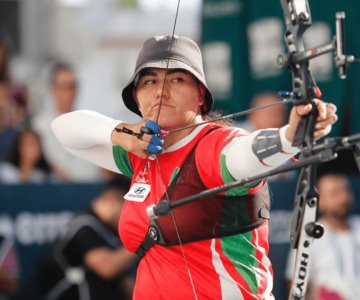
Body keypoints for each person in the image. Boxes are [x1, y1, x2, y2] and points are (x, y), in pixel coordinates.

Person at [51, 35, 337, 299]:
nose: (161, 91)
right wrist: (120, 132)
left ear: (200, 96)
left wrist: (288, 138)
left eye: (176, 79)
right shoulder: (140, 152)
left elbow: (245, 153)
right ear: (137, 98)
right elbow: (63, 129)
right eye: (149, 81)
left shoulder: (215, 146)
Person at [36, 176, 137, 300]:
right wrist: (145, 239)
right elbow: (107, 267)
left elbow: (126, 283)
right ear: (111, 200)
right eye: (131, 207)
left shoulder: (114, 233)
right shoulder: (83, 226)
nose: (134, 215)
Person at [285, 173, 360, 300]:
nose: (343, 198)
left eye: (346, 190)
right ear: (320, 201)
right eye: (334, 194)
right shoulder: (309, 237)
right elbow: (295, 289)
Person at [32, 62, 101, 182]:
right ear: (53, 89)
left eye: (73, 86)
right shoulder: (39, 124)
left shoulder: (89, 121)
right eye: (64, 86)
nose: (70, 93)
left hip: (88, 187)